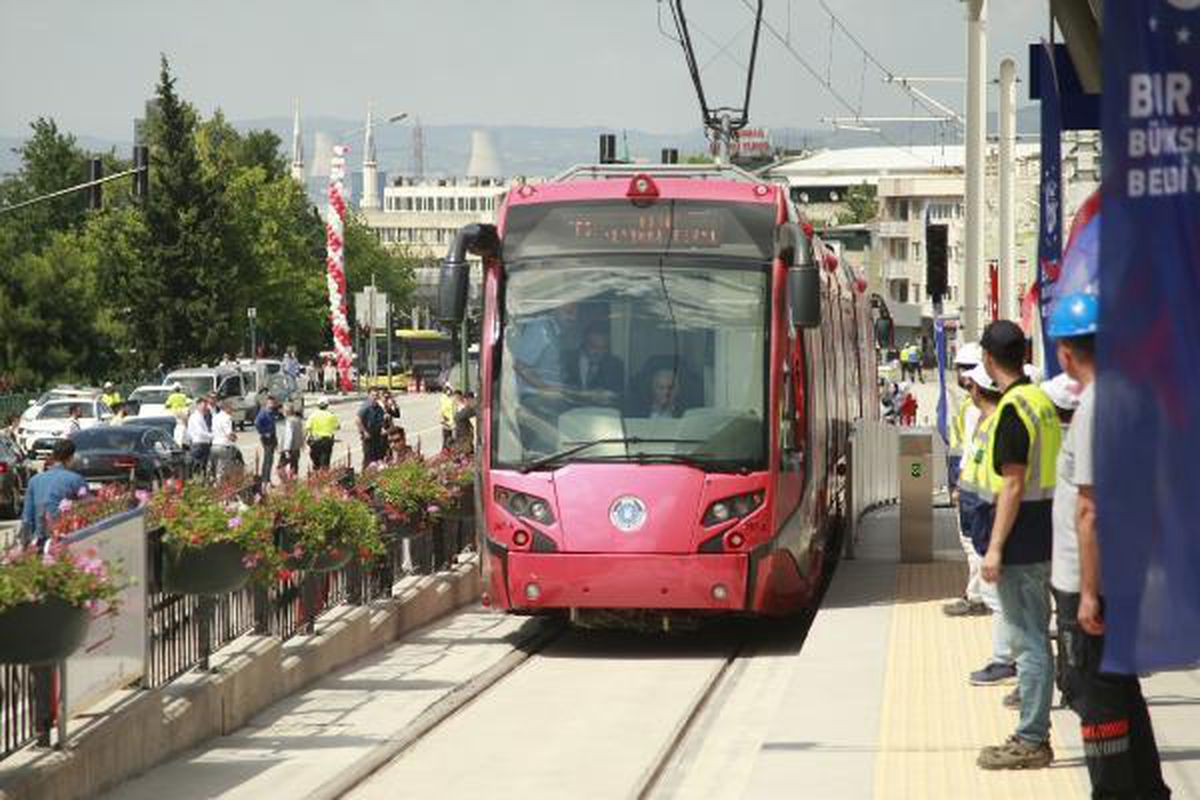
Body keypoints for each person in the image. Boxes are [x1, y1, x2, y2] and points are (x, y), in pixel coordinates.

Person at [1048, 293, 1171, 798]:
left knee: (1098, 704)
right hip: (1117, 573)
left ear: (1066, 353)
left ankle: (1118, 792)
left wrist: (1091, 595)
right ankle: (1149, 791)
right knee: (1121, 691)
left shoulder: (1097, 407)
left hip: (1088, 583)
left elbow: (1090, 510)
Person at [975, 319, 1063, 771]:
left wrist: (994, 548)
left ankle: (1031, 739)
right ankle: (1033, 733)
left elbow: (1012, 485)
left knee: (1028, 642)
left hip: (1021, 540)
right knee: (1034, 637)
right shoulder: (1041, 402)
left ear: (989, 360)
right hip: (1046, 532)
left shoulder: (1012, 410)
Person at [958, 364, 1019, 694]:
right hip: (985, 518)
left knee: (1003, 600)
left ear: (978, 389)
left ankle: (1006, 660)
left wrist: (994, 543)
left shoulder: (997, 424)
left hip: (995, 519)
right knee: (1001, 599)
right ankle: (1006, 658)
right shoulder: (988, 421)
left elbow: (1006, 483)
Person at [944, 343, 989, 618]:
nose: (961, 374)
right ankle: (977, 594)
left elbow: (972, 449)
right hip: (970, 481)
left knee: (972, 543)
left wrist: (959, 485)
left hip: (971, 484)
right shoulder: (970, 405)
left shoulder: (974, 408)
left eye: (964, 368)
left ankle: (976, 597)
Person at [19, 439, 87, 545]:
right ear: (71, 457)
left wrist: (24, 545)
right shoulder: (76, 480)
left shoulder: (34, 480)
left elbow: (27, 518)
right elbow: (89, 510)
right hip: (66, 538)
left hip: (40, 538)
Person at [565, 324, 625, 400]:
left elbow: (620, 394)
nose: (597, 352)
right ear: (584, 343)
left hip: (602, 410)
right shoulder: (566, 359)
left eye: (603, 348)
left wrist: (609, 395)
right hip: (567, 409)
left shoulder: (616, 365)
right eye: (593, 347)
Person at [306, 398, 339, 470]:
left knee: (316, 462)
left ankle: (316, 475)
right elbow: (337, 427)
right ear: (327, 406)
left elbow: (308, 427)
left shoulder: (313, 416)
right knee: (325, 461)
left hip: (315, 441)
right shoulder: (331, 415)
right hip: (327, 441)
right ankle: (324, 476)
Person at [210, 400, 238, 483]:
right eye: (231, 408)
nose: (233, 410)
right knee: (224, 470)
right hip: (224, 445)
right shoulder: (227, 418)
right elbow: (229, 433)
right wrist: (234, 438)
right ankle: (222, 487)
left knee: (216, 469)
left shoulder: (215, 417)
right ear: (227, 408)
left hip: (214, 444)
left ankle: (215, 484)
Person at [255, 396, 280, 485]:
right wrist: (263, 432)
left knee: (270, 459)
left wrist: (276, 440)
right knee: (267, 459)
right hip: (266, 438)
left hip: (272, 437)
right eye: (270, 403)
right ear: (266, 403)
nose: (271, 404)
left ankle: (267, 478)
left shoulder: (272, 412)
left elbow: (274, 427)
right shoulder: (263, 412)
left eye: (273, 403)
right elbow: (257, 423)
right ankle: (265, 479)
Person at [187, 396, 213, 479]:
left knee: (203, 467)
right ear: (198, 405)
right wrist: (213, 436)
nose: (205, 407)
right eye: (203, 405)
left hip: (202, 444)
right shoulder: (196, 417)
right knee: (198, 467)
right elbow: (200, 432)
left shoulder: (201, 416)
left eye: (206, 405)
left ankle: (201, 482)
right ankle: (198, 483)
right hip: (199, 444)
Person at [278, 403, 305, 477]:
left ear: (286, 411)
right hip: (296, 448)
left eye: (283, 410)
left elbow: (289, 436)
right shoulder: (298, 420)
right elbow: (301, 433)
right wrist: (302, 444)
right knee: (294, 466)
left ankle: (286, 483)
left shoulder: (289, 421)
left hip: (289, 448)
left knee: (280, 467)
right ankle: (294, 482)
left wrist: (286, 449)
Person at [439, 385, 456, 450]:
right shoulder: (445, 398)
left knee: (449, 438)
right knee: (447, 438)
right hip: (447, 422)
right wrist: (444, 419)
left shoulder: (449, 398)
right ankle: (445, 451)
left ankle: (447, 450)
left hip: (450, 422)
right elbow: (443, 410)